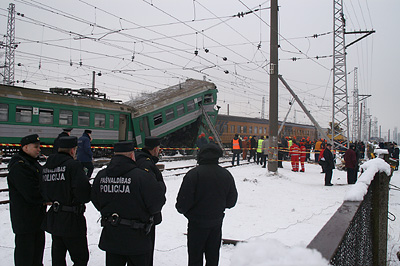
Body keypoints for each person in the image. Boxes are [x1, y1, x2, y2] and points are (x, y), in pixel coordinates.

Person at [91, 141, 166, 266]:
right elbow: (157, 204)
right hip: (137, 238)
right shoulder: (142, 177)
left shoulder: (101, 176)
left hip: (112, 235)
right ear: (132, 156)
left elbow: (95, 199)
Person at [176, 143, 238, 266]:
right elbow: (232, 201)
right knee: (213, 258)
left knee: (195, 258)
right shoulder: (226, 174)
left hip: (196, 224)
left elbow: (182, 205)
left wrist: (190, 213)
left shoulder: (193, 174)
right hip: (216, 223)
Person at [41, 136, 91, 266]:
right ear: (72, 151)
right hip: (72, 219)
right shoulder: (73, 166)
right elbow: (84, 194)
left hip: (55, 218)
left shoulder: (46, 167)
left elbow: (43, 192)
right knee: (80, 258)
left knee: (58, 258)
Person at [7, 134, 46, 266]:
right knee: (25, 256)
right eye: (36, 147)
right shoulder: (19, 166)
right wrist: (47, 198)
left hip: (36, 219)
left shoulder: (32, 163)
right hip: (25, 221)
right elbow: (31, 193)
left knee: (36, 255)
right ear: (25, 147)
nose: (39, 149)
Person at [135, 136, 167, 266]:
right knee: (144, 254)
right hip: (145, 218)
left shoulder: (135, 159)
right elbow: (155, 194)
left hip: (130, 215)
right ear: (155, 149)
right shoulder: (148, 164)